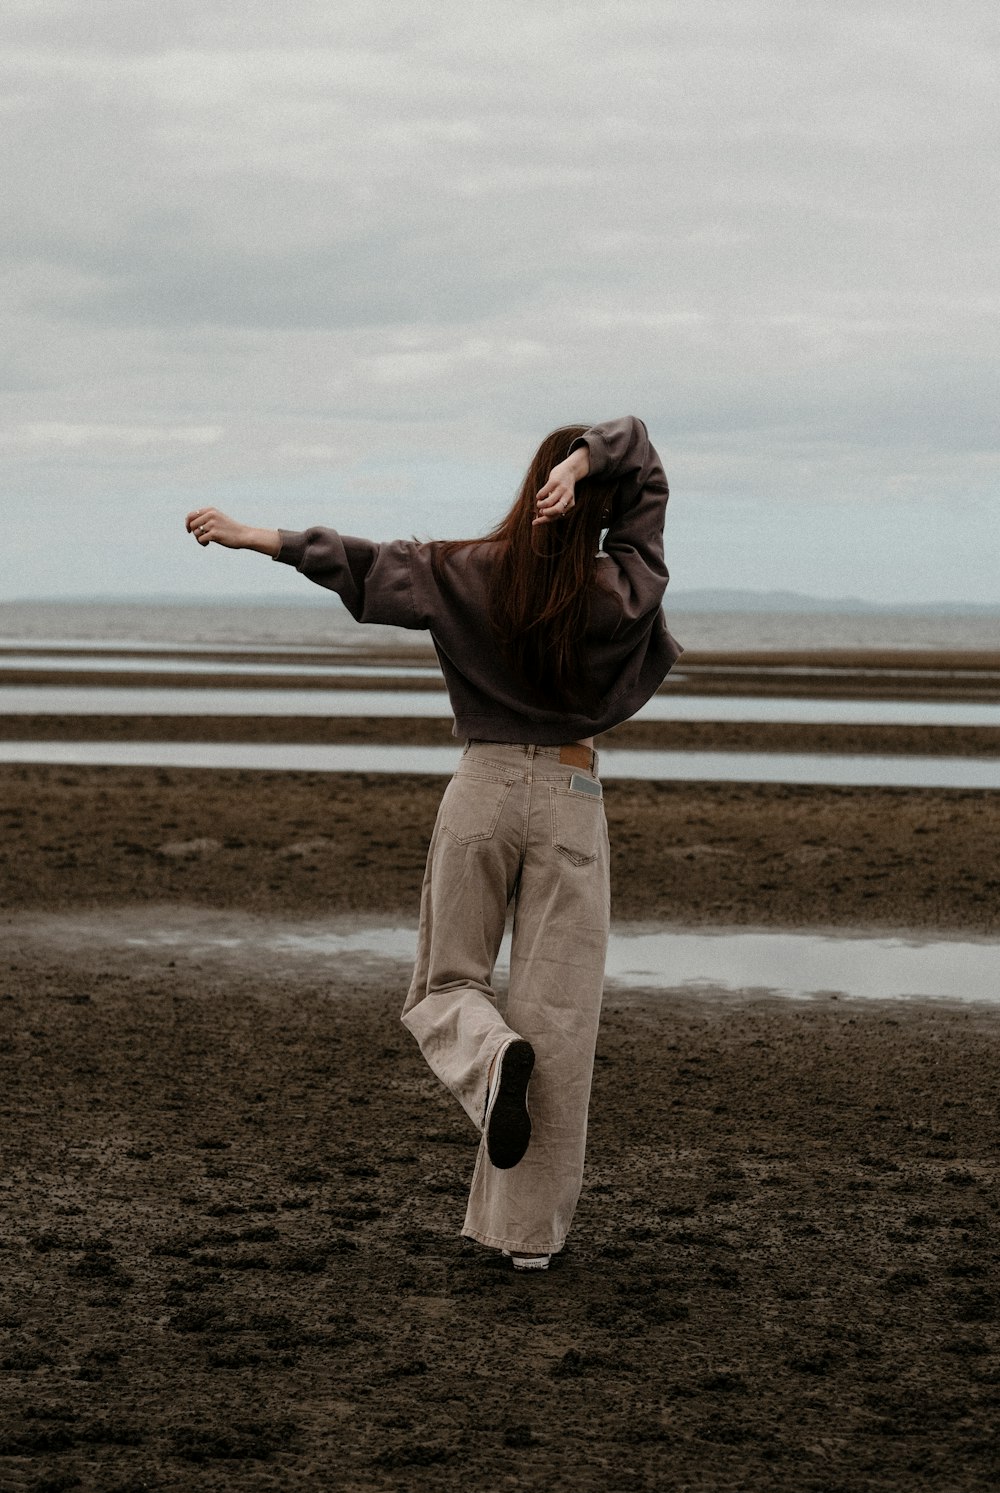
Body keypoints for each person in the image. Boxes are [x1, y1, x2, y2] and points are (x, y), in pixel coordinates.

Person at [186, 415, 681, 1271]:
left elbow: (363, 565)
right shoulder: (625, 585)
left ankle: (491, 1060)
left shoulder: (467, 572)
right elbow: (641, 453)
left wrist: (257, 537)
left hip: (483, 787)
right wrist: (589, 460)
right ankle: (528, 1243)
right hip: (571, 794)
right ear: (598, 505)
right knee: (559, 1022)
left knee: (445, 983)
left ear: (537, 490)